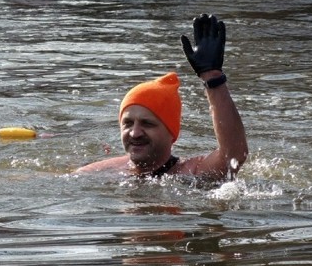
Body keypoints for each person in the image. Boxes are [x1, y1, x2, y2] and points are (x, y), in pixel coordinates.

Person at [76, 14, 248, 180]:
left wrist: (213, 78)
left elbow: (234, 154)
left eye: (147, 123)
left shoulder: (191, 173)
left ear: (171, 132)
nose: (135, 133)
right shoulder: (102, 171)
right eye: (128, 123)